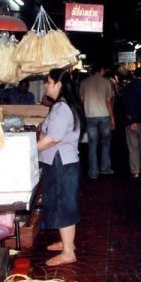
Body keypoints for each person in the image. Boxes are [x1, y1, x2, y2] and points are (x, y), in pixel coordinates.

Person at [37, 68, 85, 266]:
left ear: (58, 84)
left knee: (63, 203)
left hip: (60, 163)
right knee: (62, 202)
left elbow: (52, 138)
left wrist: (28, 149)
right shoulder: (65, 105)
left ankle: (68, 253)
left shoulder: (61, 108)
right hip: (63, 161)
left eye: (48, 82)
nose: (46, 86)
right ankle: (67, 243)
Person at [79, 65, 115, 178]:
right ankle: (105, 168)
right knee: (105, 143)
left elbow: (82, 100)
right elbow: (108, 102)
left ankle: (93, 172)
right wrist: (112, 117)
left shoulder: (84, 82)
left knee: (92, 144)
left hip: (90, 116)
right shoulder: (106, 82)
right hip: (104, 116)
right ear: (101, 70)